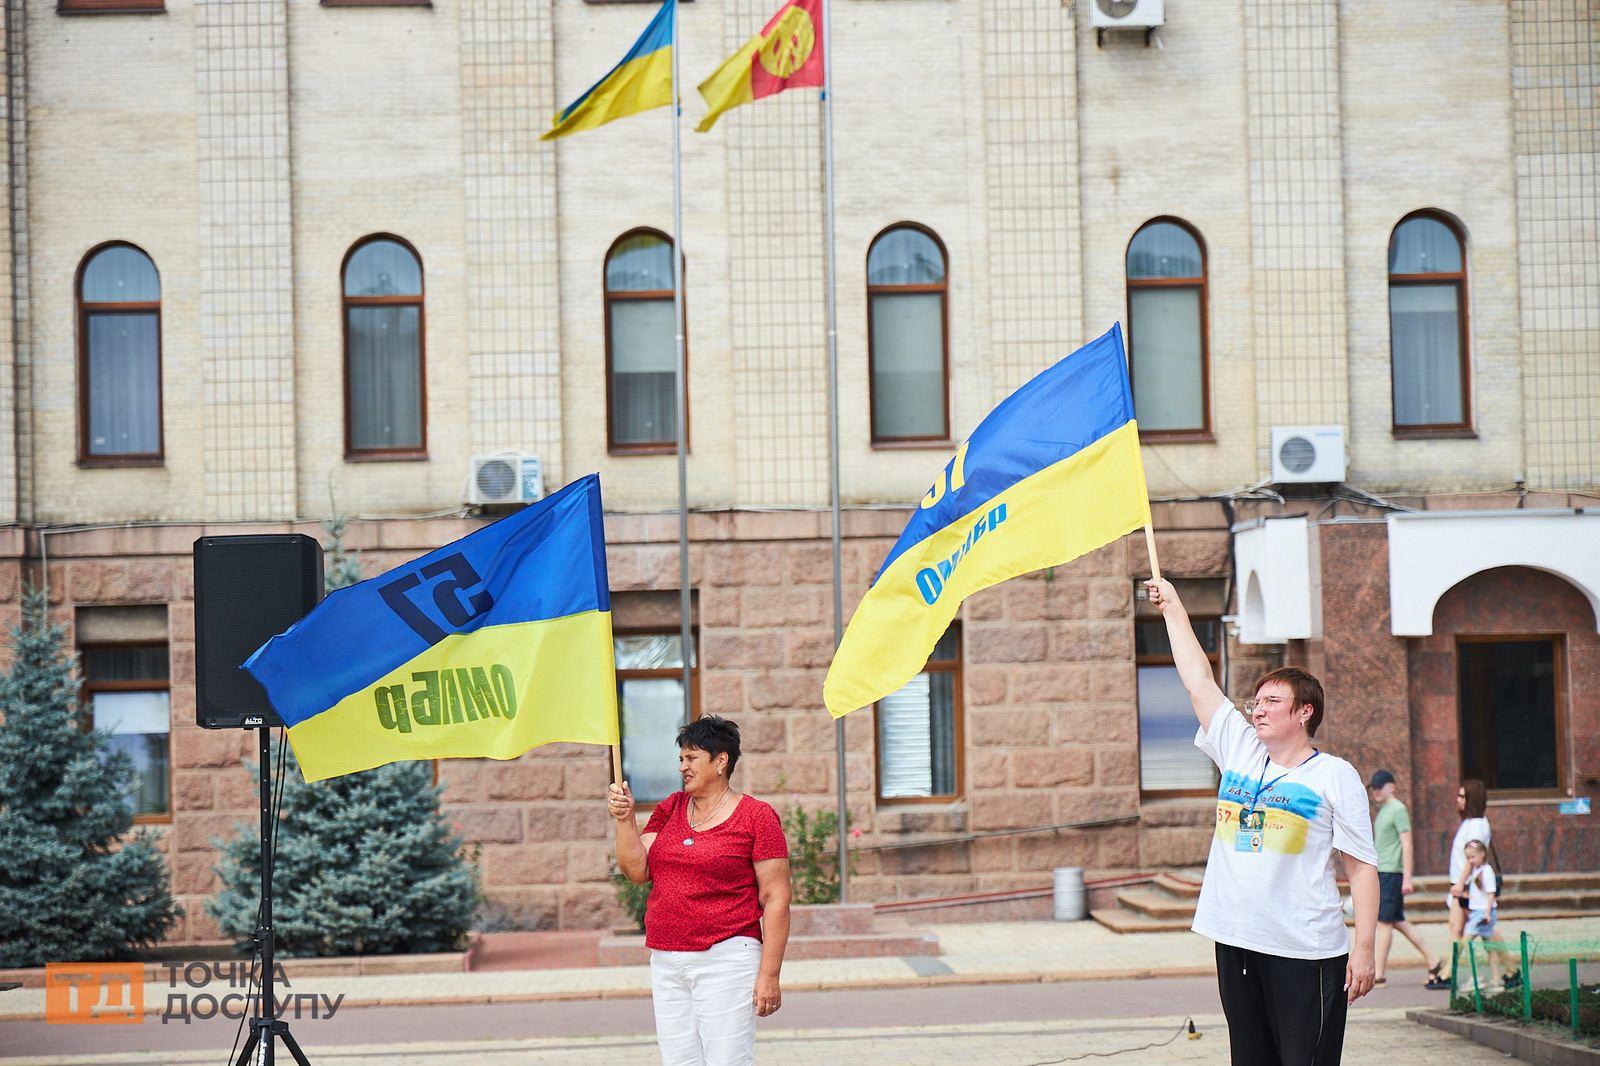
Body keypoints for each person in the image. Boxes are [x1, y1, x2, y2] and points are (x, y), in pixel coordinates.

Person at [1146, 578, 1379, 1066]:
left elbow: (1361, 868)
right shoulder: (1240, 748)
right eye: (1257, 701)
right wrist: (1173, 608)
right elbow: (1198, 681)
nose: (1258, 709)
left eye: (1272, 702)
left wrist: (1363, 949)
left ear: (1305, 712)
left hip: (1305, 950)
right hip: (1236, 940)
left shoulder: (1335, 777)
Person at [608, 715, 792, 1066]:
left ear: (720, 761)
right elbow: (637, 870)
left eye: (691, 758)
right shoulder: (671, 809)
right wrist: (624, 820)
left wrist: (769, 975)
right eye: (681, 759)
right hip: (666, 960)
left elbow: (776, 899)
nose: (683, 767)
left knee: (727, 1061)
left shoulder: (757, 817)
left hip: (726, 958)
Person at [1368, 769, 1447, 989]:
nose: (1375, 790)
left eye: (1379, 786)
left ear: (1391, 786)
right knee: (1395, 920)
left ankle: (1380, 973)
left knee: (1384, 921)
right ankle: (1432, 959)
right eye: (1373, 787)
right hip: (1383, 871)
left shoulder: (1398, 809)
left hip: (1392, 872)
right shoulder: (1384, 810)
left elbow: (1407, 843)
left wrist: (1407, 877)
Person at [1445, 779, 1491, 979]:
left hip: (1468, 887)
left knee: (1462, 930)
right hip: (1463, 885)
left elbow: (1471, 859)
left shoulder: (1477, 825)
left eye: (1463, 796)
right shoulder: (1469, 823)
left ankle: (1449, 974)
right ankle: (1508, 971)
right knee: (1479, 932)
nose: (1459, 800)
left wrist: (1460, 883)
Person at [1453, 840, 1503, 989]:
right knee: (1489, 946)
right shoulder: (1476, 871)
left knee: (1467, 943)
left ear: (1482, 854)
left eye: (1473, 857)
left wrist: (1487, 913)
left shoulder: (1486, 871)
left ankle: (1476, 977)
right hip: (1478, 912)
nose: (1470, 861)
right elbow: (1479, 894)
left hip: (1482, 914)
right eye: (1468, 858)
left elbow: (1490, 893)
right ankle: (1496, 978)